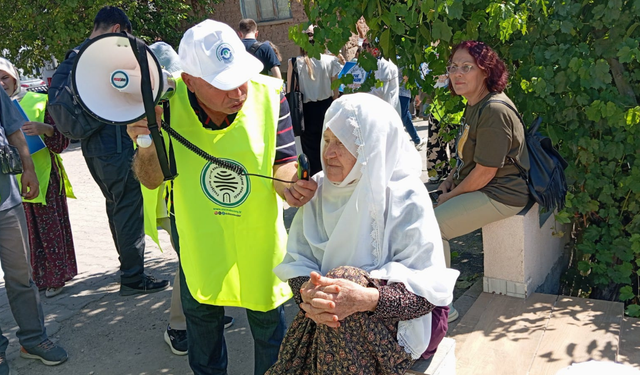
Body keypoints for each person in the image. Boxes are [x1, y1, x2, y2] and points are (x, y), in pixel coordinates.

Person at [127, 20, 318, 375]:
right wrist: (145, 140)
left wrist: (291, 187)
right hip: (198, 235)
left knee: (268, 325)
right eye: (223, 84)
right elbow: (152, 181)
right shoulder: (163, 105)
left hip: (257, 233)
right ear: (190, 81)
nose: (238, 93)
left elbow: (284, 163)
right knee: (201, 321)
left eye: (240, 78)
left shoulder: (269, 94)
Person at [267, 93, 458, 374]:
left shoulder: (405, 195)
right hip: (335, 316)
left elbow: (428, 297)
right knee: (336, 295)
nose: (328, 153)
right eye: (328, 140)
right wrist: (307, 293)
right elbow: (299, 261)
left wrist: (364, 297)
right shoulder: (319, 189)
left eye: (342, 143)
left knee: (345, 283)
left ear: (372, 145)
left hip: (408, 321)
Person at [48, 6, 169, 296]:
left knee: (115, 205)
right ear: (117, 30)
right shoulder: (101, 58)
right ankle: (132, 276)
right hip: (114, 146)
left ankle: (128, 267)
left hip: (93, 149)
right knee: (128, 206)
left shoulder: (75, 58)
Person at [146, 41, 235, 357]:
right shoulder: (154, 110)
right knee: (190, 263)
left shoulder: (189, 99)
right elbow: (152, 167)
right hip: (175, 201)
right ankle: (178, 326)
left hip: (205, 198)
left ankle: (208, 309)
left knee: (207, 258)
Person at [434, 41, 530, 321]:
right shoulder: (474, 105)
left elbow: (486, 171)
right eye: (453, 67)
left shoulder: (494, 110)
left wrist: (450, 198)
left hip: (503, 193)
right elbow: (466, 155)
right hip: (484, 186)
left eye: (467, 67)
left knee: (433, 226)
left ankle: (441, 308)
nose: (457, 74)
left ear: (485, 72)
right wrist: (449, 181)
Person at [0, 84, 68, 374]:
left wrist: (28, 168)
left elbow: (15, 129)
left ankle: (33, 339)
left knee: (21, 276)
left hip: (5, 200)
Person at [0, 58, 77, 298]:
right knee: (26, 235)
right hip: (12, 183)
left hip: (44, 176)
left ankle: (56, 277)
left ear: (15, 78)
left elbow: (62, 140)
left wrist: (44, 129)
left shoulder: (39, 100)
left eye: (4, 78)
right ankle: (37, 278)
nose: (1, 83)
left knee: (49, 229)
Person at [286, 25, 341, 176]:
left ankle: (317, 183)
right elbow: (335, 90)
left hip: (306, 111)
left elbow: (290, 91)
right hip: (327, 106)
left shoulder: (294, 62)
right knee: (328, 146)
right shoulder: (331, 60)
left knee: (311, 152)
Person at [399, 73, 426, 150]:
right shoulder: (403, 62)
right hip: (403, 92)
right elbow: (406, 77)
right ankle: (414, 141)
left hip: (394, 92)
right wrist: (416, 93)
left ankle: (416, 140)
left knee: (406, 116)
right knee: (404, 117)